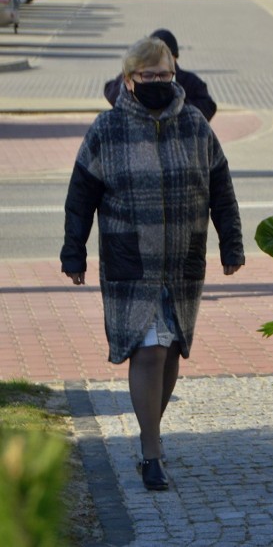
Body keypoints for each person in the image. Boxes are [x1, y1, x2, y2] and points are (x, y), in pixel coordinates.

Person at [61, 36, 244, 491]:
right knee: (149, 349)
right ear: (129, 80)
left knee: (171, 351)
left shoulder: (196, 125)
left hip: (182, 258)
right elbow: (81, 195)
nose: (159, 82)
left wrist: (232, 245)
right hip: (132, 260)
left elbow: (221, 188)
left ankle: (150, 435)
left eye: (165, 75)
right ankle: (152, 453)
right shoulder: (107, 129)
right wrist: (74, 249)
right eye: (149, 76)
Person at [104, 29, 218, 121]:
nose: (156, 80)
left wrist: (178, 103)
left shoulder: (190, 82)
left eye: (164, 75)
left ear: (174, 58)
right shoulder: (107, 126)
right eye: (148, 75)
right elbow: (110, 90)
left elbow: (208, 106)